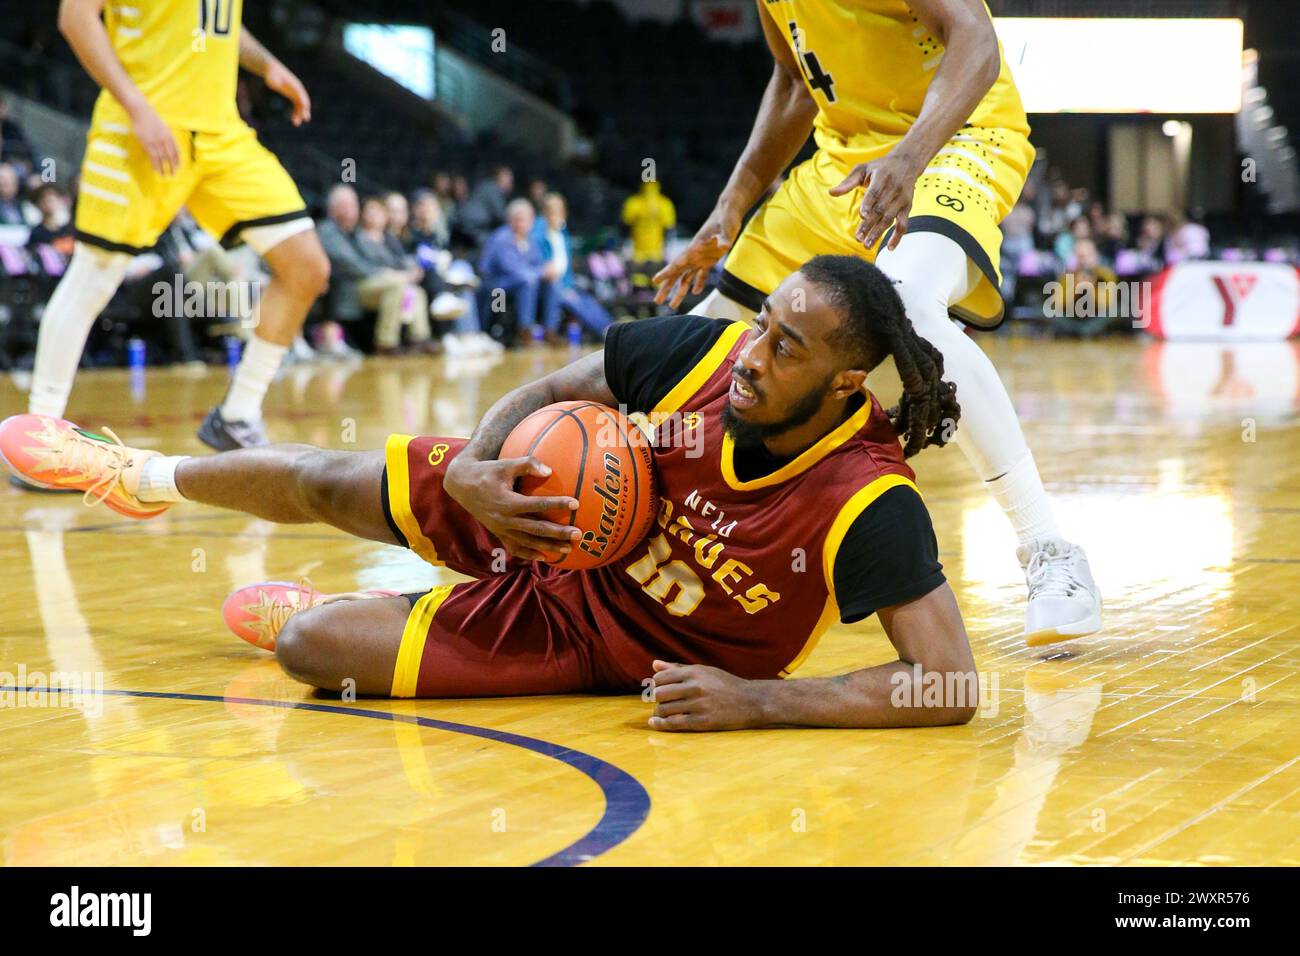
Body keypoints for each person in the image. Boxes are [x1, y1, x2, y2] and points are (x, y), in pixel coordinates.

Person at [1, 256, 979, 730]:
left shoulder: (865, 500)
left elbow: (949, 684)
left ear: (847, 382)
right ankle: (133, 474)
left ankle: (345, 612)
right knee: (329, 475)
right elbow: (555, 387)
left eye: (787, 347)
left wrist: (760, 701)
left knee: (309, 649)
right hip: (543, 505)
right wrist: (476, 460)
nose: (754, 355)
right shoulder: (707, 357)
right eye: (763, 324)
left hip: (605, 639)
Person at [651, 0, 1100, 646]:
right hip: (841, 163)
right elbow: (791, 83)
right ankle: (595, 511)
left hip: (955, 138)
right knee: (711, 330)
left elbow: (974, 35)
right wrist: (730, 208)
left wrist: (910, 159)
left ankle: (1049, 550)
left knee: (909, 302)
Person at [23, 0, 330, 452]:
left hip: (220, 134)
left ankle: (237, 415)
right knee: (93, 276)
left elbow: (215, 21)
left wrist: (267, 65)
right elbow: (75, 16)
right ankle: (39, 440)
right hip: (138, 126)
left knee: (306, 267)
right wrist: (138, 109)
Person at [535, 192, 614, 339]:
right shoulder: (538, 234)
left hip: (566, 283)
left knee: (587, 299)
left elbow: (566, 267)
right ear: (545, 212)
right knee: (574, 300)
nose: (556, 215)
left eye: (559, 210)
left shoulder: (562, 234)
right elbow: (540, 265)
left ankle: (612, 327)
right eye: (552, 211)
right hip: (547, 284)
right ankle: (605, 332)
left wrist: (568, 286)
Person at [477, 198, 556, 344]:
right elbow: (510, 268)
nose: (523, 223)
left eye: (526, 219)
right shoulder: (501, 237)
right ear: (510, 220)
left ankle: (550, 330)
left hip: (520, 283)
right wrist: (540, 272)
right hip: (496, 285)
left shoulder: (530, 241)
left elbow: (538, 264)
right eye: (519, 219)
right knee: (528, 280)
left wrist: (546, 271)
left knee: (551, 283)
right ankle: (525, 330)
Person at [621, 180, 676, 267]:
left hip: (653, 253)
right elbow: (626, 227)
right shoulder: (664, 203)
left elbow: (669, 230)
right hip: (640, 253)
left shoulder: (664, 203)